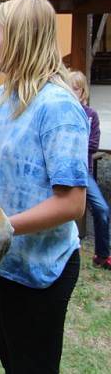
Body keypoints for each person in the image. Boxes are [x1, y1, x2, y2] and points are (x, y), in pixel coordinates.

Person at [0, 0, 87, 373]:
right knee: (14, 364)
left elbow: (72, 203)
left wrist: (2, 228)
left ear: (20, 40)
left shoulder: (57, 108)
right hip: (4, 263)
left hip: (44, 270)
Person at [68, 70, 111, 270]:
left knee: (101, 209)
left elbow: (93, 144)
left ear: (83, 91)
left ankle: (102, 255)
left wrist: (72, 144)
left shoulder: (91, 115)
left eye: (75, 88)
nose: (71, 92)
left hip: (82, 171)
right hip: (62, 169)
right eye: (68, 88)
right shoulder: (63, 112)